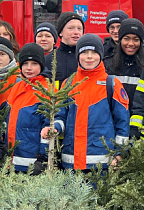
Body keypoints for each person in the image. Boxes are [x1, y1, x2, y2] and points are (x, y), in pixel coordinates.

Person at [43, 34, 130, 171]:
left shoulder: (112, 84)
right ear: (78, 56)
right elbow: (61, 116)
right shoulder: (68, 84)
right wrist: (55, 129)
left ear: (100, 55)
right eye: (84, 52)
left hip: (102, 165)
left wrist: (119, 155)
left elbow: (122, 125)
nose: (89, 57)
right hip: (70, 162)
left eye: (94, 52)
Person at [5, 43, 51, 173]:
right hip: (12, 159)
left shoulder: (46, 90)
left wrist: (43, 158)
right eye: (25, 64)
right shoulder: (17, 87)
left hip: (32, 161)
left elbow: (47, 127)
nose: (29, 68)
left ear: (41, 65)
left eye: (34, 64)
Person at [104, 18, 144, 106]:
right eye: (126, 39)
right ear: (120, 40)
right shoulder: (107, 63)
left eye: (136, 39)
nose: (131, 43)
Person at [44, 12, 84, 87]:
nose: (76, 32)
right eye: (71, 28)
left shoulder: (87, 59)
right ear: (60, 32)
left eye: (79, 29)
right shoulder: (48, 60)